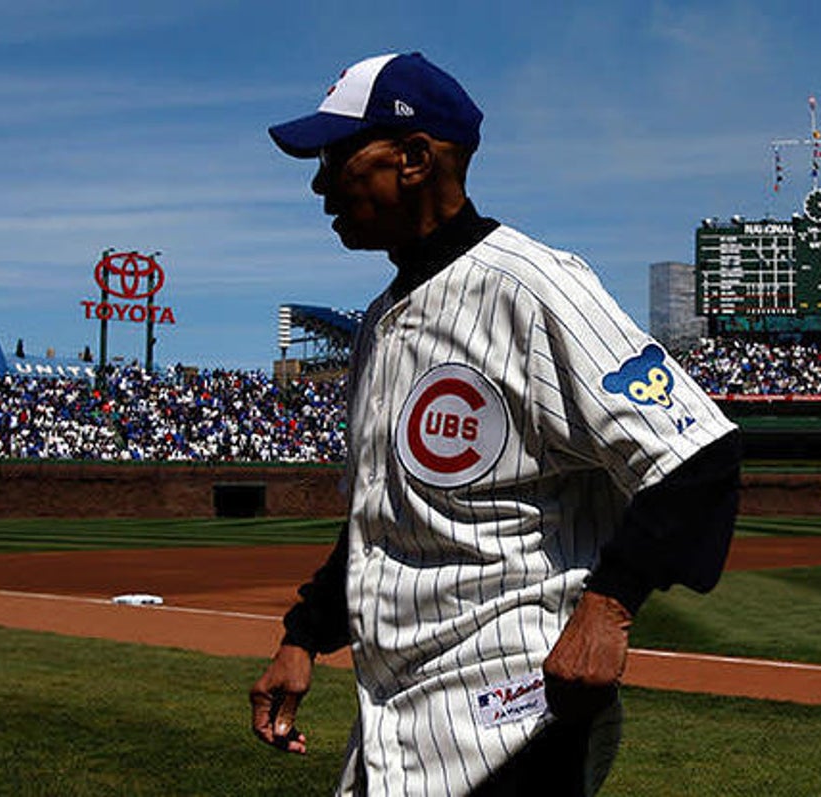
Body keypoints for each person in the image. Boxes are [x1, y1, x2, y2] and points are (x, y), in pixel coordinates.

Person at [248, 52, 742, 796]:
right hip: (399, 719)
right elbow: (386, 516)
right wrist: (305, 636)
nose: (320, 182)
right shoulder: (380, 324)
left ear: (414, 159)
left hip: (519, 720)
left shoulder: (535, 286)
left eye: (338, 154)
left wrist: (608, 608)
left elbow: (697, 454)